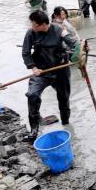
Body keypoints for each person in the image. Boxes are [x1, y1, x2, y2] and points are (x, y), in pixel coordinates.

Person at [21, 10, 78, 141]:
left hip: (60, 70)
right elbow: (26, 53)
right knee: (32, 95)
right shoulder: (31, 33)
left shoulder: (59, 30)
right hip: (41, 71)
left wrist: (81, 48)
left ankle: (66, 125)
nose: (32, 27)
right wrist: (33, 67)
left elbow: (73, 43)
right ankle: (34, 130)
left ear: (43, 24)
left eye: (34, 25)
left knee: (64, 99)